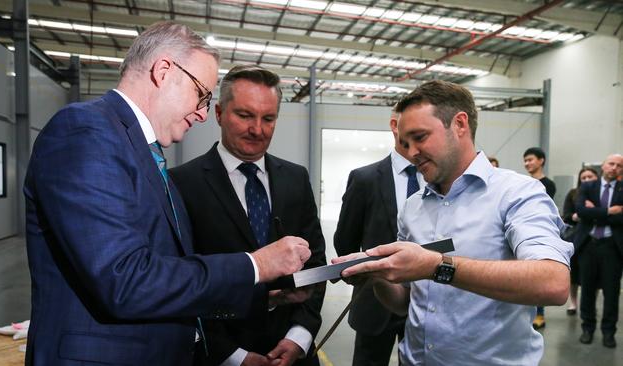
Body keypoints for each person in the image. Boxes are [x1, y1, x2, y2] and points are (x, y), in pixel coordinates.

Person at [23, 23, 311, 366]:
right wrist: (256, 265)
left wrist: (266, 297)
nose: (203, 114)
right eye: (201, 94)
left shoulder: (141, 153)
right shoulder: (86, 132)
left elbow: (168, 275)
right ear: (163, 71)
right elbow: (125, 281)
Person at [334, 80, 572, 366]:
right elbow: (405, 302)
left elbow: (553, 283)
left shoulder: (517, 193)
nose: (411, 152)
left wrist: (437, 266)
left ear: (459, 124)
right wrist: (378, 276)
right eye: (406, 143)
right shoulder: (413, 206)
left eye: (420, 137)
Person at [169, 65, 326, 366]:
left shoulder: (295, 178)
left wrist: (299, 337)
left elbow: (316, 265)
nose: (257, 129)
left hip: (294, 355)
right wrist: (233, 357)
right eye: (244, 115)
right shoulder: (182, 184)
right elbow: (181, 280)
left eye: (268, 118)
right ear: (218, 113)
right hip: (220, 355)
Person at [333, 106, 423, 366]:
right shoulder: (365, 178)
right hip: (374, 300)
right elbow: (345, 241)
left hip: (425, 303)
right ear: (395, 125)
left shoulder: (438, 178)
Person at [574, 154, 623, 348]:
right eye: (611, 164)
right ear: (603, 165)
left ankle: (608, 332)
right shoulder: (588, 187)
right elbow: (581, 211)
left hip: (613, 246)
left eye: (619, 166)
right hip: (589, 245)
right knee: (586, 289)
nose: (614, 168)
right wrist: (609, 212)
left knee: (612, 292)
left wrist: (595, 212)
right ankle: (587, 328)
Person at [523, 146, 556, 329]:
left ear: (541, 160)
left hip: (538, 235)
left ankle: (539, 314)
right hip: (522, 233)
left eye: (530, 159)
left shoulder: (547, 184)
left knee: (538, 275)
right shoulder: (523, 183)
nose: (527, 163)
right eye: (525, 160)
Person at [561, 167, 599, 315]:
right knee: (574, 274)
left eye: (590, 176)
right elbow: (566, 215)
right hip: (577, 238)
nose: (587, 180)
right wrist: (577, 216)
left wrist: (594, 210)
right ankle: (573, 303)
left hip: (597, 238)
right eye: (584, 177)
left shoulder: (602, 194)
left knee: (594, 276)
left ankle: (591, 304)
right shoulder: (573, 193)